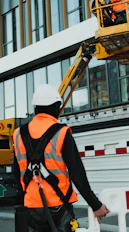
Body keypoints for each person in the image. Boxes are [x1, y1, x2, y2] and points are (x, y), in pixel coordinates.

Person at [13, 84, 109, 232]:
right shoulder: (62, 133)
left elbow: (17, 173)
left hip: (31, 207)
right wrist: (96, 205)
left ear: (36, 107)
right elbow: (78, 174)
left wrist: (24, 199)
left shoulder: (18, 134)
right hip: (59, 207)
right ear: (56, 106)